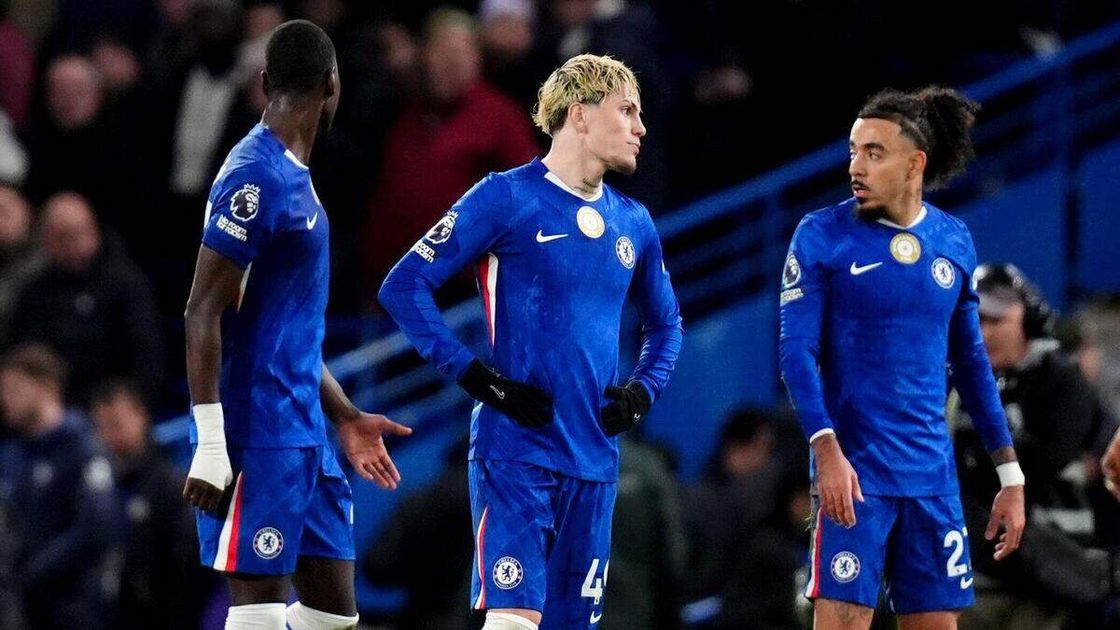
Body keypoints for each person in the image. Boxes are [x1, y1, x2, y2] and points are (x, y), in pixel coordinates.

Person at [379, 54, 683, 629]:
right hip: (515, 453)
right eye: (627, 111)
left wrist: (643, 391)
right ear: (580, 115)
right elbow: (404, 286)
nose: (641, 127)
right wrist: (479, 379)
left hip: (595, 461)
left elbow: (666, 325)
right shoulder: (505, 197)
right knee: (514, 619)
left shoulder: (634, 222)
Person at [182, 20, 411, 630]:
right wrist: (211, 442)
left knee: (333, 616)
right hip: (257, 427)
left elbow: (288, 334)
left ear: (264, 82)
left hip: (304, 426)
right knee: (257, 609)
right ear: (333, 84)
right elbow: (202, 309)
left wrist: (345, 416)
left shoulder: (294, 178)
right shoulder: (254, 176)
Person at [778, 86, 1026, 629]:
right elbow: (796, 354)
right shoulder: (821, 235)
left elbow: (972, 363)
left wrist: (1010, 475)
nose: (856, 166)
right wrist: (826, 450)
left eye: (874, 153)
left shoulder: (952, 239)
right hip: (855, 477)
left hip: (932, 480)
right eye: (853, 151)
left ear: (915, 164)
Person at [953, 263, 1115, 629]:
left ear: (1028, 320)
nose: (984, 333)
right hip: (984, 569)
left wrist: (980, 459)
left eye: (996, 320)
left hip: (1053, 568)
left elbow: (1043, 460)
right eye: (976, 322)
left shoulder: (1060, 379)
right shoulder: (966, 384)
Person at [0, 343, 118, 629]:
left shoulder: (83, 448)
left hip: (74, 607)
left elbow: (95, 530)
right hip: (23, 610)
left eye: (14, 389)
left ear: (46, 387)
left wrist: (31, 571)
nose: (5, 399)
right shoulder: (14, 456)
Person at [8, 191, 163, 406]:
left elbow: (147, 359)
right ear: (47, 241)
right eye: (65, 237)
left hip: (115, 403)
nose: (78, 244)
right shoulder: (34, 293)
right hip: (56, 408)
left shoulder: (125, 282)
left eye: (83, 232)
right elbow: (24, 357)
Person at [91, 379, 214, 630]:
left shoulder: (169, 486)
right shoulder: (99, 486)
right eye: (102, 427)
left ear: (140, 415)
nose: (110, 435)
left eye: (116, 423)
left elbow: (186, 566)